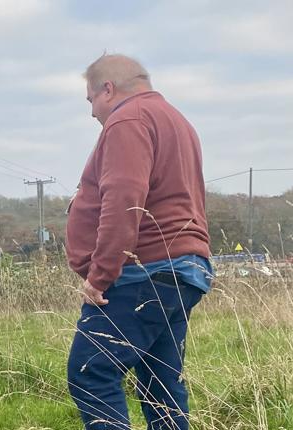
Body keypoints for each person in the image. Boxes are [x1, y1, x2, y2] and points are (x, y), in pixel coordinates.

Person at [65, 54, 213, 430]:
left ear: (108, 89)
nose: (92, 113)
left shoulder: (128, 120)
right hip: (181, 271)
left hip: (143, 272)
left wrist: (100, 275)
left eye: (91, 101)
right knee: (160, 385)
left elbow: (124, 200)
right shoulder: (177, 121)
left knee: (91, 371)